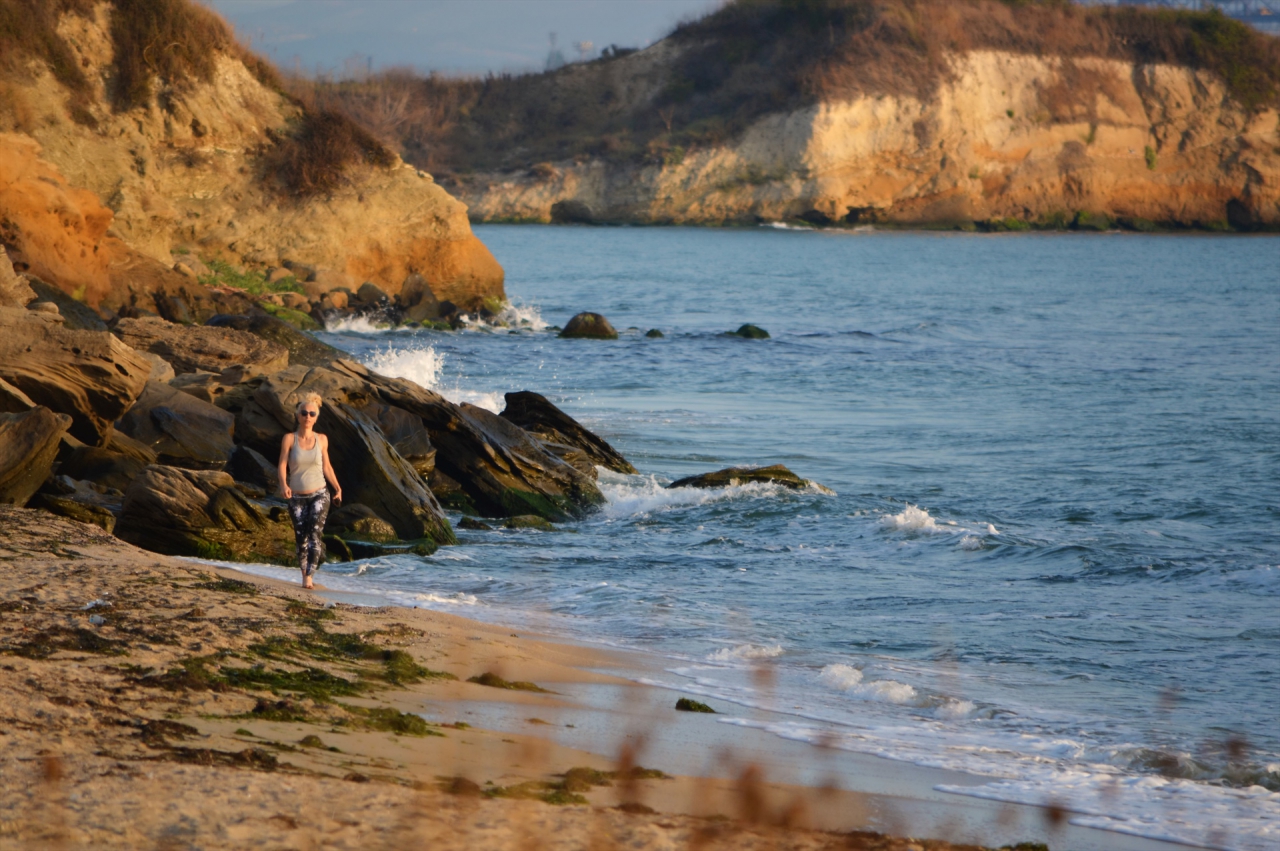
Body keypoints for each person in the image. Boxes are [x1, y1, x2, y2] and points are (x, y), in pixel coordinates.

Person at [277, 392, 342, 589]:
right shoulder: (289, 439)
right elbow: (282, 465)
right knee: (301, 536)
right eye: (304, 413)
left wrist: (337, 488)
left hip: (320, 494)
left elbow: (327, 467)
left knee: (314, 533)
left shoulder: (322, 439)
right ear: (297, 416)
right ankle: (304, 572)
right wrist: (283, 485)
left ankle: (309, 578)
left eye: (312, 414)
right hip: (296, 496)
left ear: (316, 417)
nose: (307, 417)